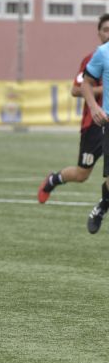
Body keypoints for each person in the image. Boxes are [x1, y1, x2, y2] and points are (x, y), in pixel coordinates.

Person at [38, 14, 109, 204]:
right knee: (81, 174)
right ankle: (53, 179)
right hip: (94, 123)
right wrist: (103, 89)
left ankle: (101, 208)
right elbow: (76, 89)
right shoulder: (92, 59)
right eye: (105, 30)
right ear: (98, 33)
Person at [77, 20, 109, 233]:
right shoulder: (103, 53)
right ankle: (103, 205)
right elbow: (85, 83)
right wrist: (94, 107)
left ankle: (102, 205)